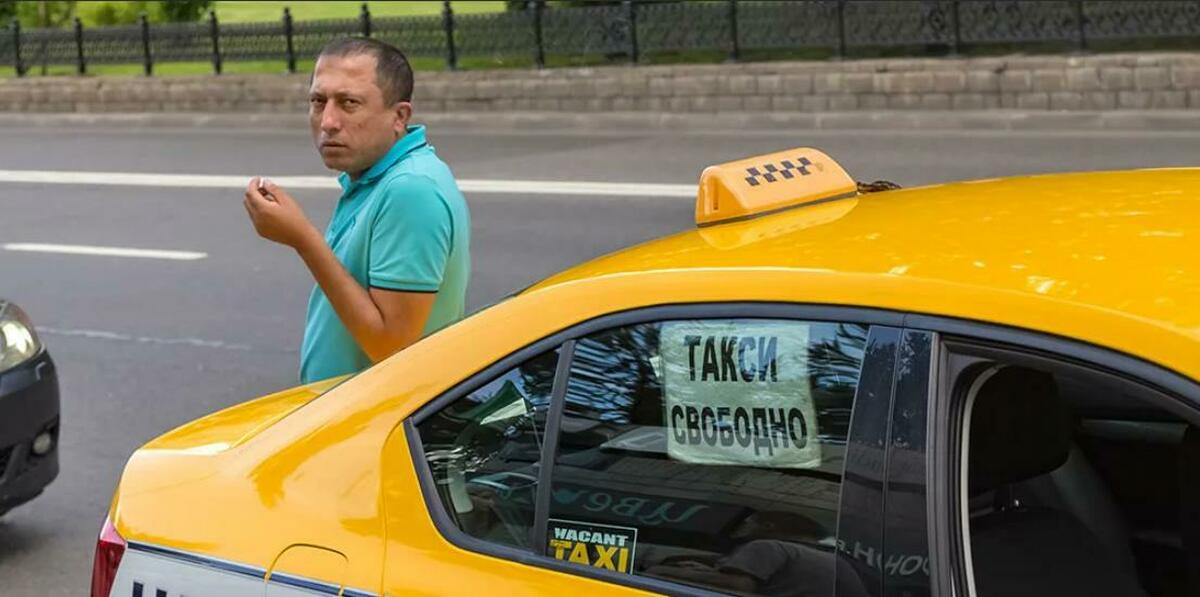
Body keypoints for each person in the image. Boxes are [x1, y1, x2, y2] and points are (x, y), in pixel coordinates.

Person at [243, 37, 470, 384]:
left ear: (399, 116)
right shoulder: (375, 178)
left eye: (349, 103)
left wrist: (303, 239)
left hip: (377, 424)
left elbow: (391, 348)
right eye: (318, 102)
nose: (328, 121)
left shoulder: (411, 189)